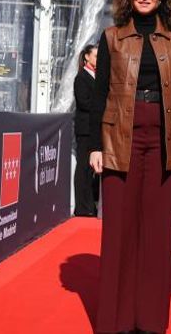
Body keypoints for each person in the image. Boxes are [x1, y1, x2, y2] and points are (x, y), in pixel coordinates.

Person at [88, 0, 171, 334]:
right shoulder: (112, 37)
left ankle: (151, 322)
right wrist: (93, 147)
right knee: (119, 231)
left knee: (157, 233)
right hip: (120, 137)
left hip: (165, 139)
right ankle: (115, 323)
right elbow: (98, 93)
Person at [73, 45, 99, 217]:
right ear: (87, 58)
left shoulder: (97, 77)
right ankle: (82, 207)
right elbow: (84, 102)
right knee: (83, 167)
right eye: (96, 56)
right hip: (85, 129)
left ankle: (90, 205)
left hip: (95, 128)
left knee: (91, 169)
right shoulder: (81, 78)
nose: (99, 59)